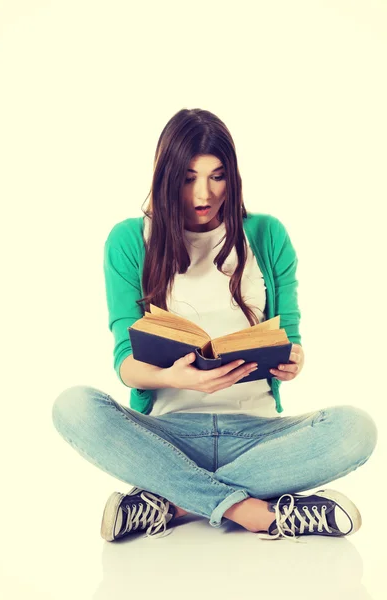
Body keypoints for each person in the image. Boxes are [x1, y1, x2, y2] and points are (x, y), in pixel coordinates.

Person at [52, 108, 378, 544]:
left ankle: (172, 503)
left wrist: (291, 362)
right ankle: (256, 512)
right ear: (166, 177)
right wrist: (173, 377)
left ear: (233, 177)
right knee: (73, 406)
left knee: (357, 429)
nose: (204, 193)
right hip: (168, 435)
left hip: (258, 435)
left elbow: (291, 342)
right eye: (189, 178)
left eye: (217, 176)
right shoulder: (130, 240)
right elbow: (125, 364)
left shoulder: (266, 234)